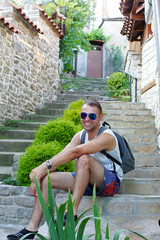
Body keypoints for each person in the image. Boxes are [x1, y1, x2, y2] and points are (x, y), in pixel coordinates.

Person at [7, 99, 123, 240]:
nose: (87, 119)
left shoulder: (107, 136)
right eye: (83, 115)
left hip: (109, 182)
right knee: (46, 180)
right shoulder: (81, 135)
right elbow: (61, 157)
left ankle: (71, 211)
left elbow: (75, 153)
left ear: (100, 117)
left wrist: (42, 166)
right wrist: (38, 176)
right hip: (86, 180)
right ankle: (31, 228)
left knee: (83, 158)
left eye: (92, 116)